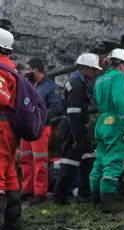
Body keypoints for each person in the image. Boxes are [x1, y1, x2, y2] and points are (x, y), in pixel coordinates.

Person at [53, 53, 102, 205]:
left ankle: (84, 193)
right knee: (69, 163)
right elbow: (73, 112)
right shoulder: (77, 84)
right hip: (73, 128)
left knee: (89, 159)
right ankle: (59, 198)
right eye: (93, 70)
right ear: (86, 68)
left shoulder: (78, 82)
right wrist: (78, 138)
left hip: (78, 127)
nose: (94, 73)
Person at [90, 48, 124, 213]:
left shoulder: (100, 79)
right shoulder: (118, 77)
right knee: (114, 161)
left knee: (99, 161)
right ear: (122, 64)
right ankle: (109, 203)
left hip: (101, 122)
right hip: (115, 122)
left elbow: (98, 101)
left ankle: (96, 200)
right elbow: (119, 101)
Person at [20, 58, 61, 205]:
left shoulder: (52, 87)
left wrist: (38, 119)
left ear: (36, 70)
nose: (27, 72)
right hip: (27, 127)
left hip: (41, 128)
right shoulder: (28, 84)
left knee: (40, 161)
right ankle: (27, 190)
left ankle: (39, 192)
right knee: (25, 159)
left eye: (29, 69)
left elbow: (55, 109)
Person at [0, 27, 23, 229]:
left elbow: (1, 97)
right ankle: (12, 221)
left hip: (1, 126)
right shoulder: (11, 67)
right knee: (8, 173)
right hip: (8, 127)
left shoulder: (0, 69)